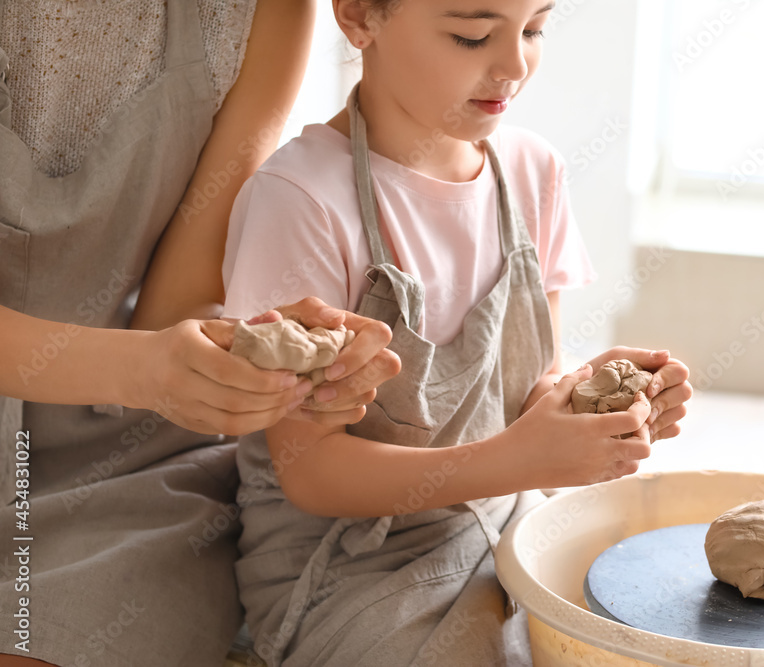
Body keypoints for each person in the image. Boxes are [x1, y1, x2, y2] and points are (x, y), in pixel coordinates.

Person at [221, 0, 693, 664]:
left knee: (654, 624)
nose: (514, 64)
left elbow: (536, 384)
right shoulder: (301, 199)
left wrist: (597, 404)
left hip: (504, 512)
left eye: (534, 29)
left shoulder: (534, 172)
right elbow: (312, 472)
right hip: (349, 560)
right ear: (359, 16)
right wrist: (521, 459)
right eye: (472, 35)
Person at [0, 2, 399, 666]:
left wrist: (268, 356)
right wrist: (142, 368)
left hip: (121, 456)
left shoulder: (268, 13)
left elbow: (170, 316)